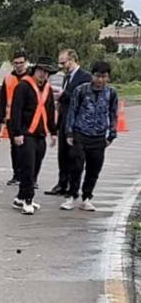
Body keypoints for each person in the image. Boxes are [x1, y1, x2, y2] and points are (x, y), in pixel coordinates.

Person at [60, 61, 119, 212]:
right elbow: (72, 112)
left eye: (104, 77)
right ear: (92, 75)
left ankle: (87, 197)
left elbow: (113, 114)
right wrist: (69, 133)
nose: (100, 80)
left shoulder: (111, 93)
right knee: (76, 166)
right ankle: (72, 195)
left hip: (99, 136)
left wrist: (111, 135)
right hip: (80, 134)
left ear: (108, 78)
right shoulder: (81, 91)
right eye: (98, 76)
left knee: (94, 168)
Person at [10, 56, 57, 215]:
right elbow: (15, 111)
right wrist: (16, 133)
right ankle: (28, 200)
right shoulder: (23, 86)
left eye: (47, 72)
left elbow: (50, 111)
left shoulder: (48, 89)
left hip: (40, 134)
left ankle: (20, 197)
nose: (43, 74)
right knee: (28, 167)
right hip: (26, 133)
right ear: (35, 70)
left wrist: (54, 132)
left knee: (35, 167)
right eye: (41, 70)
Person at [46, 49, 91, 196]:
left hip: (77, 123)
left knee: (74, 156)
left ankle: (73, 186)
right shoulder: (66, 77)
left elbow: (83, 99)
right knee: (63, 154)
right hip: (64, 120)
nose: (61, 66)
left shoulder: (85, 77)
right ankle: (62, 183)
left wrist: (64, 94)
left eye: (63, 62)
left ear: (72, 60)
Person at [0, 50, 30, 186]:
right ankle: (17, 174)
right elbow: (2, 100)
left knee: (28, 149)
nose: (19, 66)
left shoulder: (32, 78)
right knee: (15, 148)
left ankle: (29, 177)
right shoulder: (8, 78)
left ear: (26, 62)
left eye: (21, 63)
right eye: (16, 63)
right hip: (12, 119)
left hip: (28, 119)